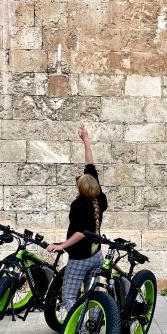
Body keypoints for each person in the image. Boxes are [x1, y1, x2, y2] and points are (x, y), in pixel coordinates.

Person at [46, 123, 108, 313]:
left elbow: (82, 231)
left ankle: (79, 331)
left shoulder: (79, 205)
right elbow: (90, 165)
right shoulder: (99, 196)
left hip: (80, 258)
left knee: (70, 297)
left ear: (80, 189)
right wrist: (86, 140)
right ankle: (93, 329)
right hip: (97, 255)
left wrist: (62, 245)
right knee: (94, 295)